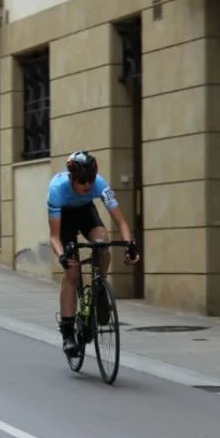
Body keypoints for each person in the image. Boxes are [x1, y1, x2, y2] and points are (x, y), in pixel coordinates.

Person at [48, 150, 139, 355]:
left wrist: (130, 245)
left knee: (102, 243)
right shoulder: (57, 189)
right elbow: (54, 237)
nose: (87, 185)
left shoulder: (100, 184)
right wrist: (62, 256)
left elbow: (121, 222)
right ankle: (68, 332)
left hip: (86, 213)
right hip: (65, 220)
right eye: (82, 181)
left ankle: (99, 290)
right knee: (72, 274)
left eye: (90, 179)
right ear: (72, 178)